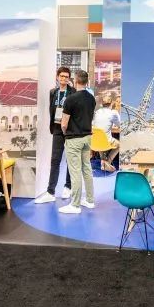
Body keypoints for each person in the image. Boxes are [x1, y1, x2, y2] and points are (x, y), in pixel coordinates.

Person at [35, 67, 75, 204]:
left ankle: (68, 187)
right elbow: (51, 110)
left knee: (70, 159)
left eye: (66, 77)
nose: (64, 79)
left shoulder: (73, 92)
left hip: (70, 129)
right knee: (55, 160)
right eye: (61, 76)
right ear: (57, 77)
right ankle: (50, 191)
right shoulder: (53, 92)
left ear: (69, 78)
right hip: (57, 129)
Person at [58, 69, 95, 215]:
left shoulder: (70, 99)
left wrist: (65, 132)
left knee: (75, 172)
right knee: (87, 169)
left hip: (74, 139)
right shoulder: (91, 99)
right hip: (87, 138)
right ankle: (90, 200)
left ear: (75, 80)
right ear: (86, 81)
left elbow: (64, 123)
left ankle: (75, 205)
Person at [91, 94, 121, 172]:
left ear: (102, 103)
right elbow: (119, 125)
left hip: (95, 142)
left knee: (101, 140)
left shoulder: (97, 112)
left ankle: (103, 162)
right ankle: (108, 162)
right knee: (119, 145)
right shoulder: (113, 113)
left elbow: (93, 124)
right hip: (106, 142)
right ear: (111, 103)